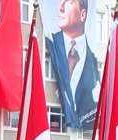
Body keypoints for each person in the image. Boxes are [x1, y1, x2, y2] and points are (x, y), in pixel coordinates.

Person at [45, 0, 99, 128]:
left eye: (69, 2)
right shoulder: (50, 44)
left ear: (82, 15)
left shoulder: (94, 62)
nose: (61, 7)